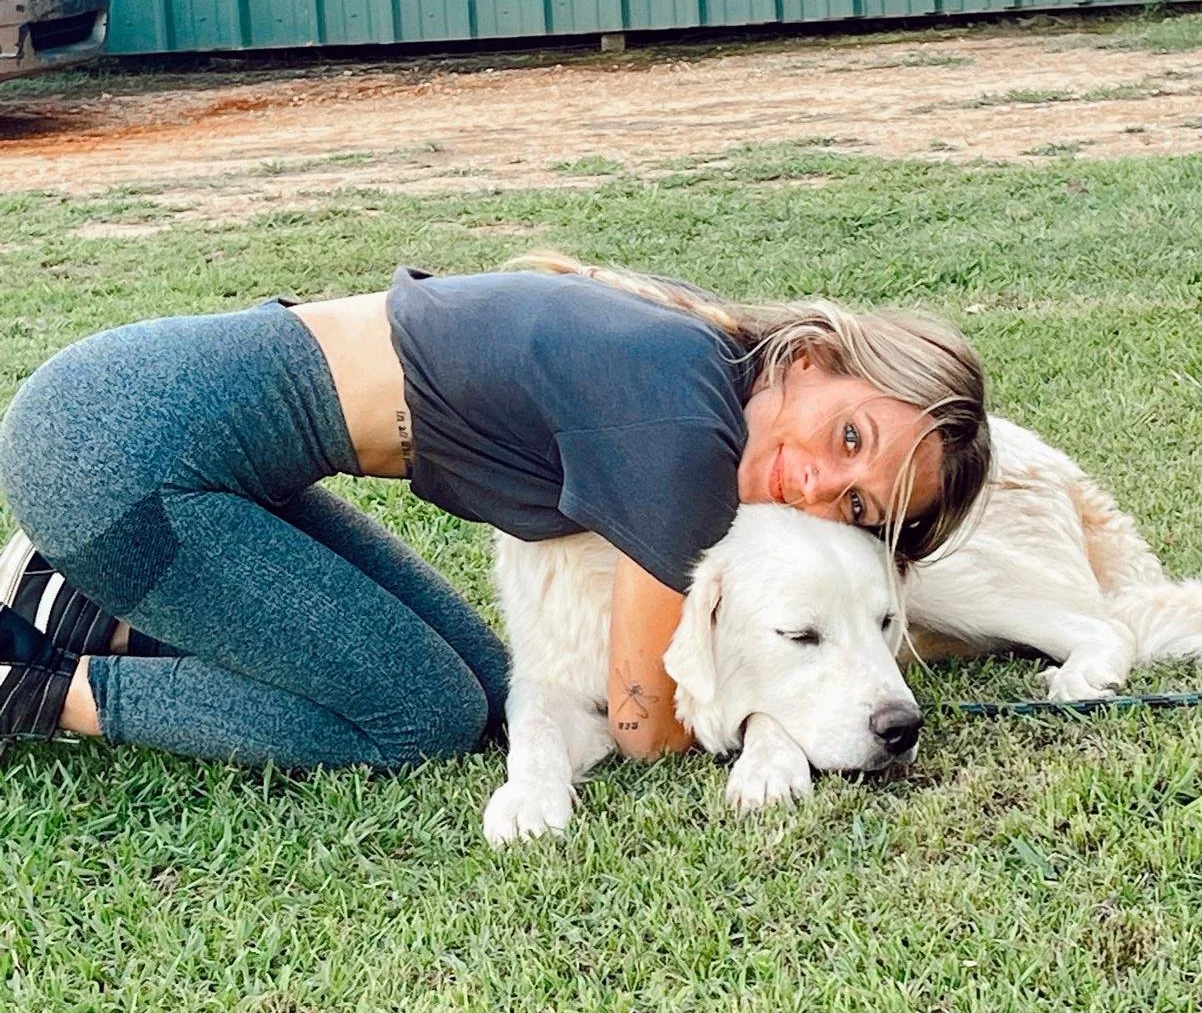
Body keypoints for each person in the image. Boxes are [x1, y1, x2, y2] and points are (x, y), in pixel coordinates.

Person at [0, 253, 991, 769]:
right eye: (847, 436)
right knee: (417, 717)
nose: (813, 485)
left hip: (159, 437)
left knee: (479, 694)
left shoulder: (709, 354)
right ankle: (34, 686)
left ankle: (78, 598)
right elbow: (644, 726)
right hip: (111, 457)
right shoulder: (686, 430)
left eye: (855, 500)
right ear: (812, 359)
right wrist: (787, 721)